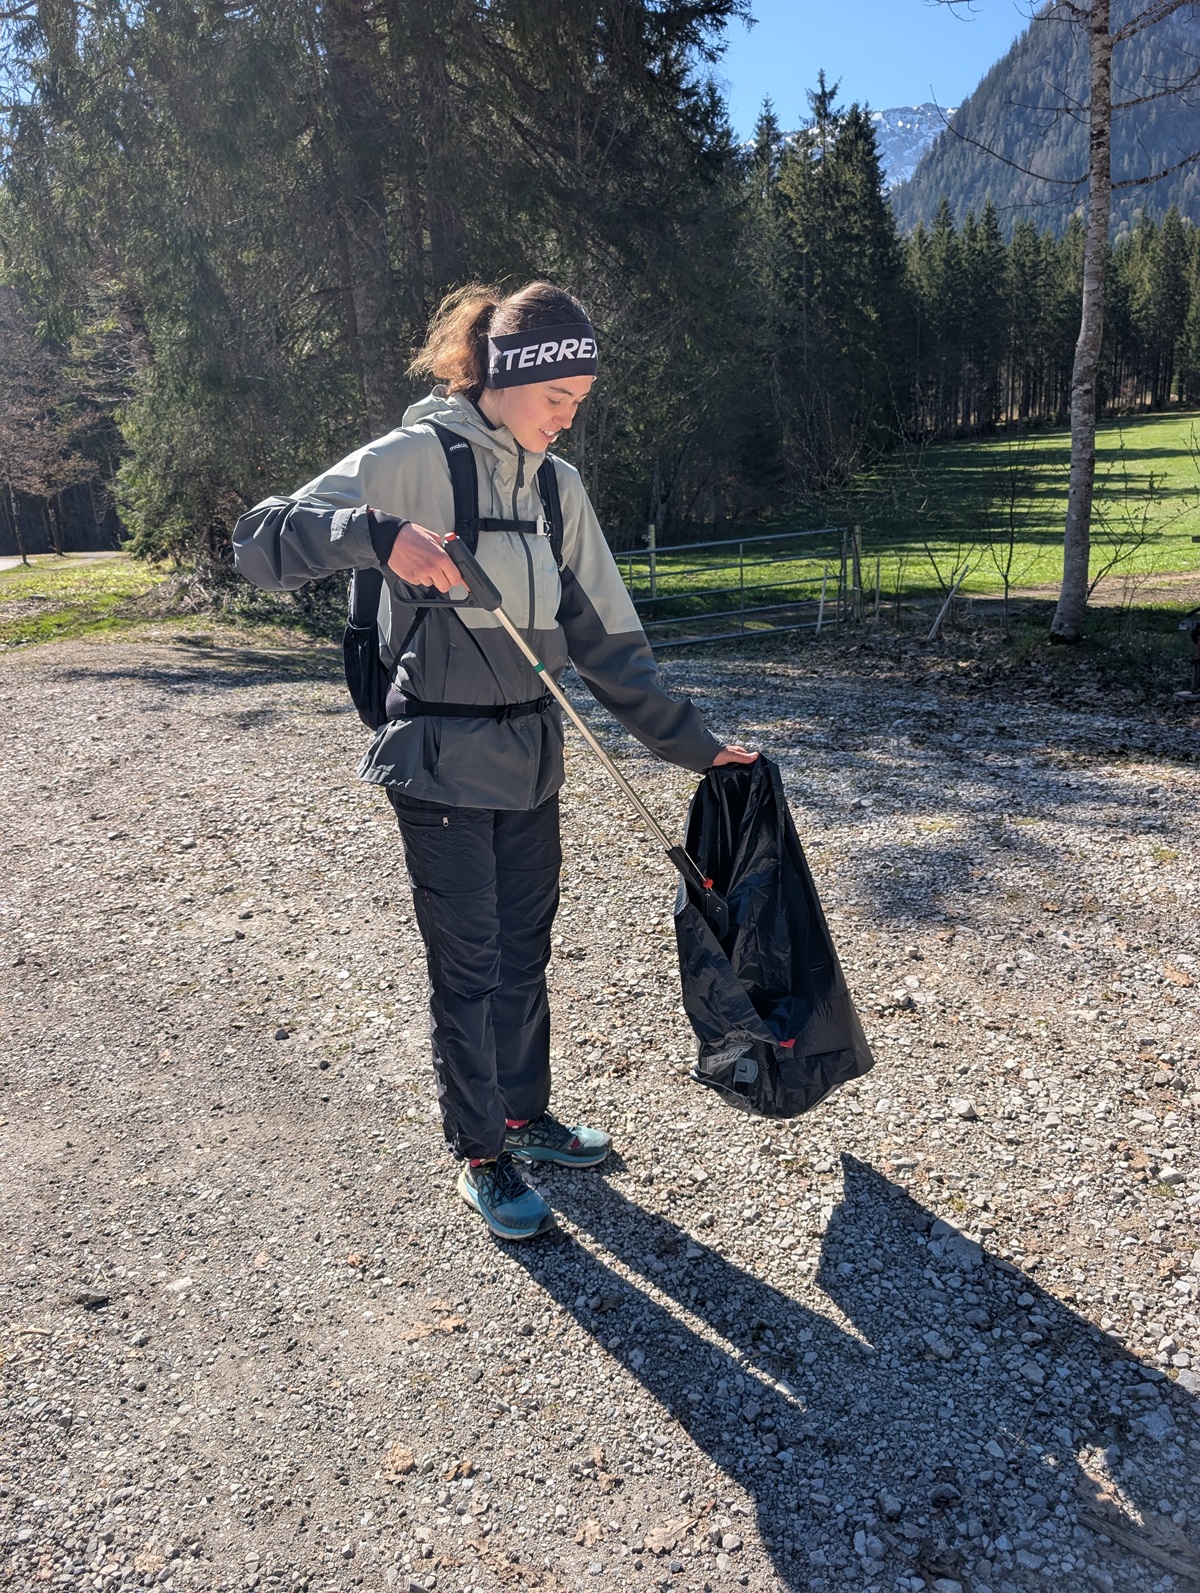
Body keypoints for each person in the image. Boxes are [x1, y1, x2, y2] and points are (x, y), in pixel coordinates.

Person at [233, 280, 755, 1241]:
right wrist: (378, 535)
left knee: (524, 954)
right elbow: (260, 542)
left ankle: (523, 1115)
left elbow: (609, 644)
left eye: (579, 402)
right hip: (438, 763)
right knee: (468, 966)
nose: (568, 418)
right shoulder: (415, 458)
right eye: (558, 397)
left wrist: (695, 747)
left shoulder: (558, 489)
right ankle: (481, 1153)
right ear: (508, 375)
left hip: (531, 760)